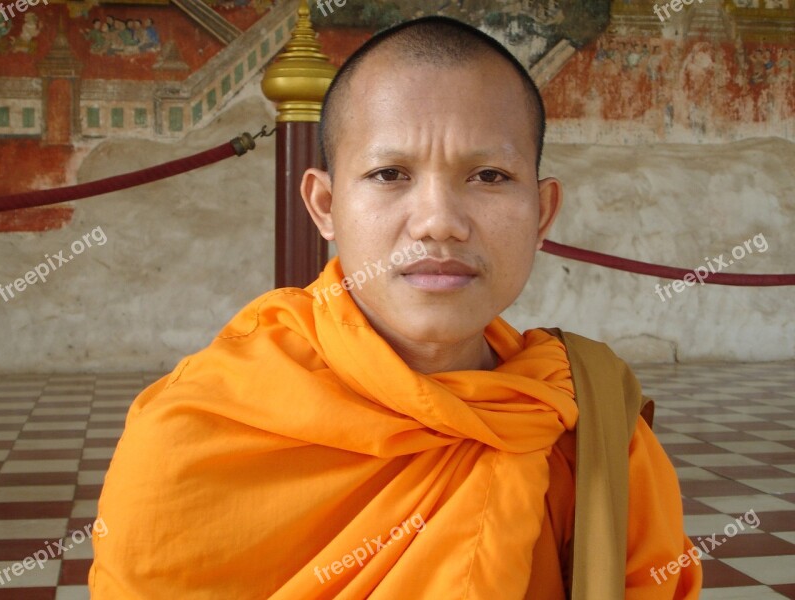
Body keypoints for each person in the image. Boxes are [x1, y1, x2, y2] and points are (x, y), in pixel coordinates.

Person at [89, 16, 702, 599]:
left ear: (542, 214)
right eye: (389, 174)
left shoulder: (581, 417)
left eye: (488, 176)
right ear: (325, 205)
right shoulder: (198, 431)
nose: (439, 221)